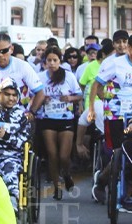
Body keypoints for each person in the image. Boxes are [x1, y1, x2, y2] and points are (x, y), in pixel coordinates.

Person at [89, 33, 132, 212]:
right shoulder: (114, 63)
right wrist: (95, 107)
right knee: (118, 153)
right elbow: (96, 85)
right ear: (129, 47)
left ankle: (126, 192)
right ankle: (102, 181)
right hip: (115, 113)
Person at [37, 47, 82, 199]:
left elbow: (79, 95)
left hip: (66, 119)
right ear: (45, 62)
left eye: (55, 60)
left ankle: (67, 174)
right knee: (52, 154)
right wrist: (43, 99)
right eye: (49, 60)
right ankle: (57, 187)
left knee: (64, 156)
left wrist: (70, 98)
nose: (52, 63)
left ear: (60, 61)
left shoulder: (68, 76)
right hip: (47, 118)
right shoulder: (40, 77)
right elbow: (33, 95)